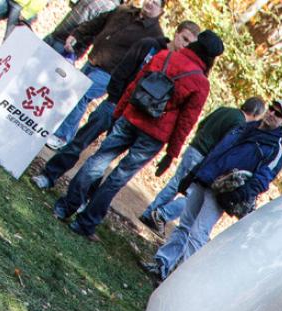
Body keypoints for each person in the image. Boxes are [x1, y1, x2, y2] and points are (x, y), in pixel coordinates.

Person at [55, 29, 221, 239]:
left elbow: (134, 85)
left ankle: (65, 207)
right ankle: (85, 223)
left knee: (97, 161)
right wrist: (172, 153)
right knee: (118, 177)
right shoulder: (200, 83)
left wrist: (119, 111)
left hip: (131, 117)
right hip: (154, 135)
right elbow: (186, 122)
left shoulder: (164, 56)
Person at [33, 21, 197, 191]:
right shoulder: (150, 46)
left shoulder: (179, 67)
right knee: (81, 140)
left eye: (190, 44)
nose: (185, 45)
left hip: (133, 117)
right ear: (176, 33)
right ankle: (49, 175)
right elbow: (122, 70)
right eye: (184, 39)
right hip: (114, 105)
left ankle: (82, 197)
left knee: (102, 160)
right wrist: (114, 98)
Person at [143, 98, 282, 281]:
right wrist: (196, 173)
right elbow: (217, 150)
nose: (272, 114)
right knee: (185, 225)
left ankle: (179, 282)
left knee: (198, 234)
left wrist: (238, 195)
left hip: (223, 192)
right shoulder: (245, 127)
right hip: (205, 178)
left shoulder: (274, 151)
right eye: (271, 109)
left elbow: (262, 180)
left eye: (278, 114)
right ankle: (162, 264)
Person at [45, 0, 166, 149]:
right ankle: (57, 129)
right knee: (71, 92)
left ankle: (62, 136)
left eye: (156, 3)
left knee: (80, 93)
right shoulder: (123, 11)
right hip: (94, 60)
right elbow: (97, 23)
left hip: (111, 73)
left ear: (161, 11)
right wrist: (77, 34)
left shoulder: (155, 36)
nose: (150, 4)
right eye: (149, 0)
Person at [140, 96, 265, 231]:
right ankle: (162, 214)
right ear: (255, 114)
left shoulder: (224, 110)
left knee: (175, 184)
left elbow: (202, 124)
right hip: (204, 157)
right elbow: (225, 145)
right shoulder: (240, 124)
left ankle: (149, 212)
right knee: (193, 196)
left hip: (194, 148)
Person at [41, 0, 117, 54]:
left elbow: (93, 31)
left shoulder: (111, 8)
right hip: (56, 33)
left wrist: (74, 50)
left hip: (65, 46)